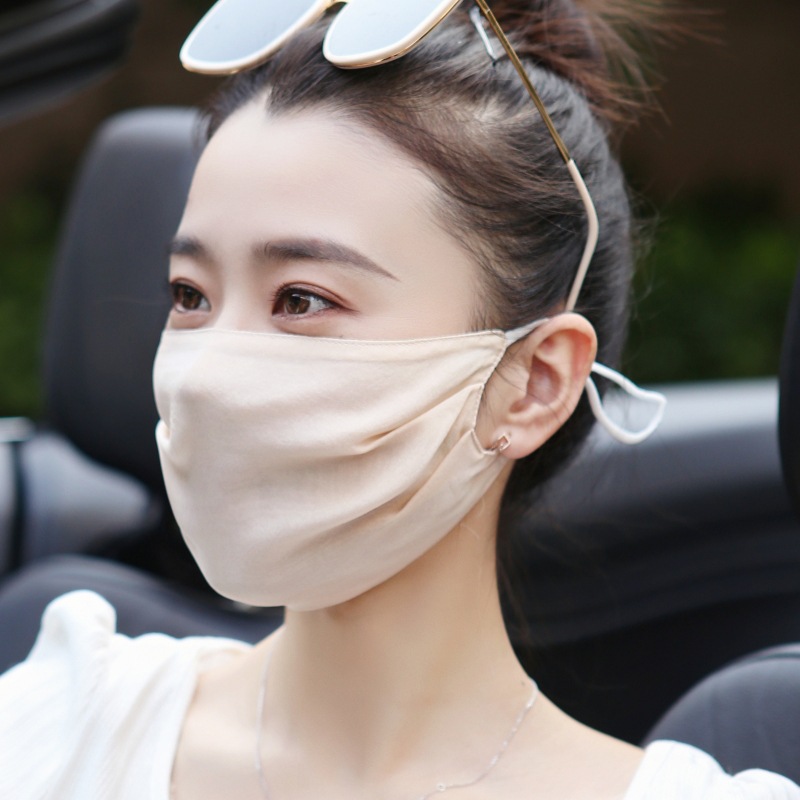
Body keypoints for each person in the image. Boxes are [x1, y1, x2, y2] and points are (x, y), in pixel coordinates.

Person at [1, 1, 798, 798]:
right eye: (190, 295)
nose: (205, 373)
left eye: (301, 299)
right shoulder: (60, 726)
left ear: (534, 382)